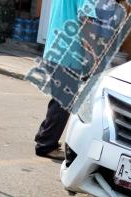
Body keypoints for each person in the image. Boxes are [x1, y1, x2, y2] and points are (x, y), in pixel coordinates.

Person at [34, 0, 94, 160]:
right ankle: (46, 145)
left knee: (58, 99)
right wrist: (93, 53)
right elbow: (85, 21)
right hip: (69, 53)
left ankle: (43, 136)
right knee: (63, 103)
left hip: (55, 48)